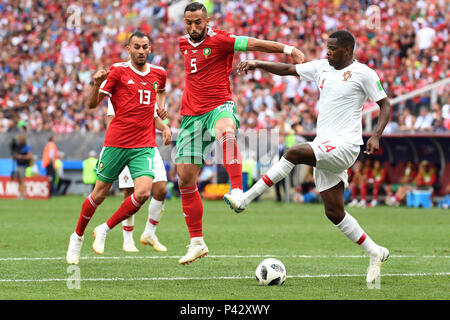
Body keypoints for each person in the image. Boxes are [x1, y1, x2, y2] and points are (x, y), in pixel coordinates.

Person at [224, 30, 392, 284]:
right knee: (334, 212)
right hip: (325, 145)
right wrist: (258, 63)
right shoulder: (322, 67)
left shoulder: (364, 74)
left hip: (346, 146)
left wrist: (376, 135)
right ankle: (376, 252)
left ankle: (245, 198)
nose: (328, 52)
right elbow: (288, 70)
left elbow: (385, 105)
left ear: (347, 50)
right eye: (328, 47)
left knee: (293, 152)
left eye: (333, 48)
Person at [175, 2, 304, 265]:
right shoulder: (183, 43)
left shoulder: (221, 39)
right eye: (189, 22)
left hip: (219, 106)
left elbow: (256, 44)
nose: (193, 27)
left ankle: (237, 191)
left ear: (207, 20)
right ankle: (197, 242)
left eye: (198, 22)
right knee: (185, 179)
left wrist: (288, 49)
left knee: (226, 129)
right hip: (190, 115)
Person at [66, 31, 168, 264]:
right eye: (136, 47)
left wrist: (161, 107)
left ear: (150, 49)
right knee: (99, 193)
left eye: (145, 47)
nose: (141, 51)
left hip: (144, 144)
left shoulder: (159, 73)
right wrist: (96, 83)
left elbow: (161, 90)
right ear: (128, 49)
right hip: (117, 142)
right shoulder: (118, 71)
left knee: (142, 192)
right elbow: (92, 104)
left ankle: (105, 228)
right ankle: (77, 237)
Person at [106, 99, 171, 253]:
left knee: (161, 189)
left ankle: (149, 233)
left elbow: (154, 118)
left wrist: (165, 128)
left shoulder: (148, 82)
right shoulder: (118, 85)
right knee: (130, 192)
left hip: (149, 146)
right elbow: (111, 120)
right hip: (127, 145)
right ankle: (127, 239)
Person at [10, 134, 32, 199]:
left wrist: (21, 157)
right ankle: (20, 194)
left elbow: (30, 156)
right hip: (18, 165)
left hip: (23, 166)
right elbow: (13, 156)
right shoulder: (18, 147)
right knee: (19, 180)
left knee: (22, 180)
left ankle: (23, 194)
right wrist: (14, 156)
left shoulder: (26, 147)